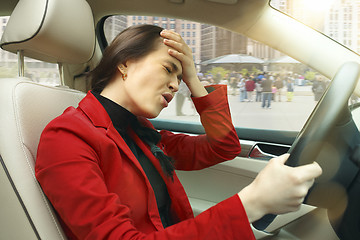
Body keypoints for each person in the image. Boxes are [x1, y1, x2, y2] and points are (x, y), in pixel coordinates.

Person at [35, 25, 322, 240]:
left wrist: (194, 79)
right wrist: (250, 204)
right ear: (125, 63)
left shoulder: (139, 132)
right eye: (169, 69)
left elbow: (223, 147)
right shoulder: (67, 137)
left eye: (180, 77)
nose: (176, 85)